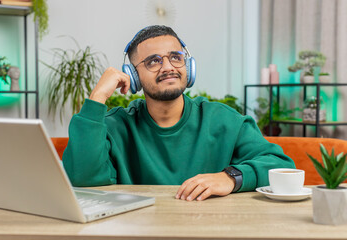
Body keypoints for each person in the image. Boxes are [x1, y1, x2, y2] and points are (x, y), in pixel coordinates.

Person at [62, 25, 295, 201]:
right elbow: (82, 180)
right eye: (153, 61)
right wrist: (97, 97)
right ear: (133, 76)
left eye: (176, 57)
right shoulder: (115, 126)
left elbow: (280, 165)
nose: (168, 67)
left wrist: (230, 178)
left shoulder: (224, 120)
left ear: (188, 66)